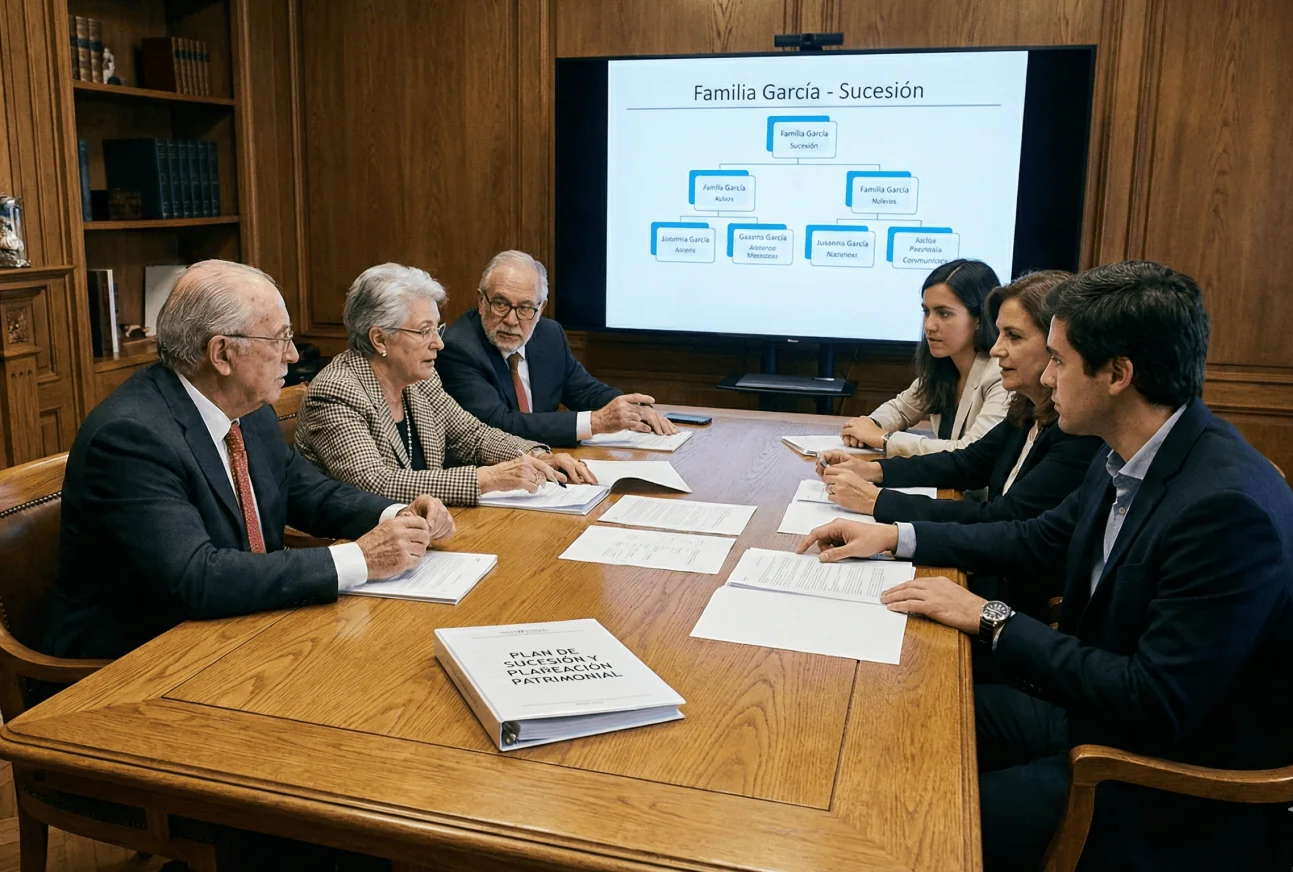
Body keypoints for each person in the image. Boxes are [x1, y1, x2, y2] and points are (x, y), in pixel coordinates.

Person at [797, 261, 1293, 872]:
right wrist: (895, 536)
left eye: (1058, 359)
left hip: (1167, 778)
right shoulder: (1130, 455)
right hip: (1098, 716)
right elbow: (1034, 539)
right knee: (894, 714)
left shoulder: (1223, 510)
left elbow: (1153, 701)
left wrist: (991, 617)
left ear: (1117, 374)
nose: (1046, 377)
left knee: (901, 826)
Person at [44, 260, 458, 662]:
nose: (294, 355)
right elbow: (195, 577)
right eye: (280, 338)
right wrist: (360, 559)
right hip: (140, 663)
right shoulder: (131, 437)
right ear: (222, 354)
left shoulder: (249, 409)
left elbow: (308, 492)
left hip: (240, 631)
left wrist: (396, 514)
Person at [818, 271, 1102, 614]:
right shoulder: (1029, 405)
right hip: (990, 577)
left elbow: (1004, 520)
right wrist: (875, 469)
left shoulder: (1079, 432)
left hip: (1012, 601)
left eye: (1013, 336)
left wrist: (881, 506)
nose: (996, 349)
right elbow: (968, 463)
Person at [296, 263, 596, 504]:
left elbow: (473, 436)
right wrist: (488, 479)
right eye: (424, 331)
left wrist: (538, 456)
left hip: (428, 528)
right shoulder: (336, 391)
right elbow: (377, 482)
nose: (439, 343)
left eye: (437, 328)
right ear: (379, 338)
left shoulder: (418, 381)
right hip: (363, 542)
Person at [437, 250, 678, 446]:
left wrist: (632, 408)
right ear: (481, 301)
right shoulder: (459, 349)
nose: (511, 320)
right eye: (500, 304)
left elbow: (585, 392)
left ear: (541, 308)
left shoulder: (548, 335)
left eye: (525, 308)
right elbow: (499, 425)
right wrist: (595, 422)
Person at [840, 259, 1009, 456]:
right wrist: (870, 424)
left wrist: (883, 439)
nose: (929, 325)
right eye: (926, 312)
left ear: (979, 318)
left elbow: (970, 452)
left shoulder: (1001, 373)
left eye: (944, 314)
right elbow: (901, 409)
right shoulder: (945, 365)